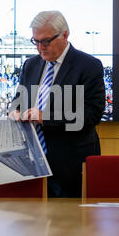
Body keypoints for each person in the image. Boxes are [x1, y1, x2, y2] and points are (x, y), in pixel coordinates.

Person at [9, 10, 105, 198]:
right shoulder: (31, 65)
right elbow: (18, 102)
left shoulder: (88, 65)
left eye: (45, 41)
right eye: (35, 41)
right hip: (30, 162)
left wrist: (46, 117)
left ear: (65, 35)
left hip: (71, 164)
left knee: (71, 224)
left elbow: (91, 114)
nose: (40, 48)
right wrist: (15, 112)